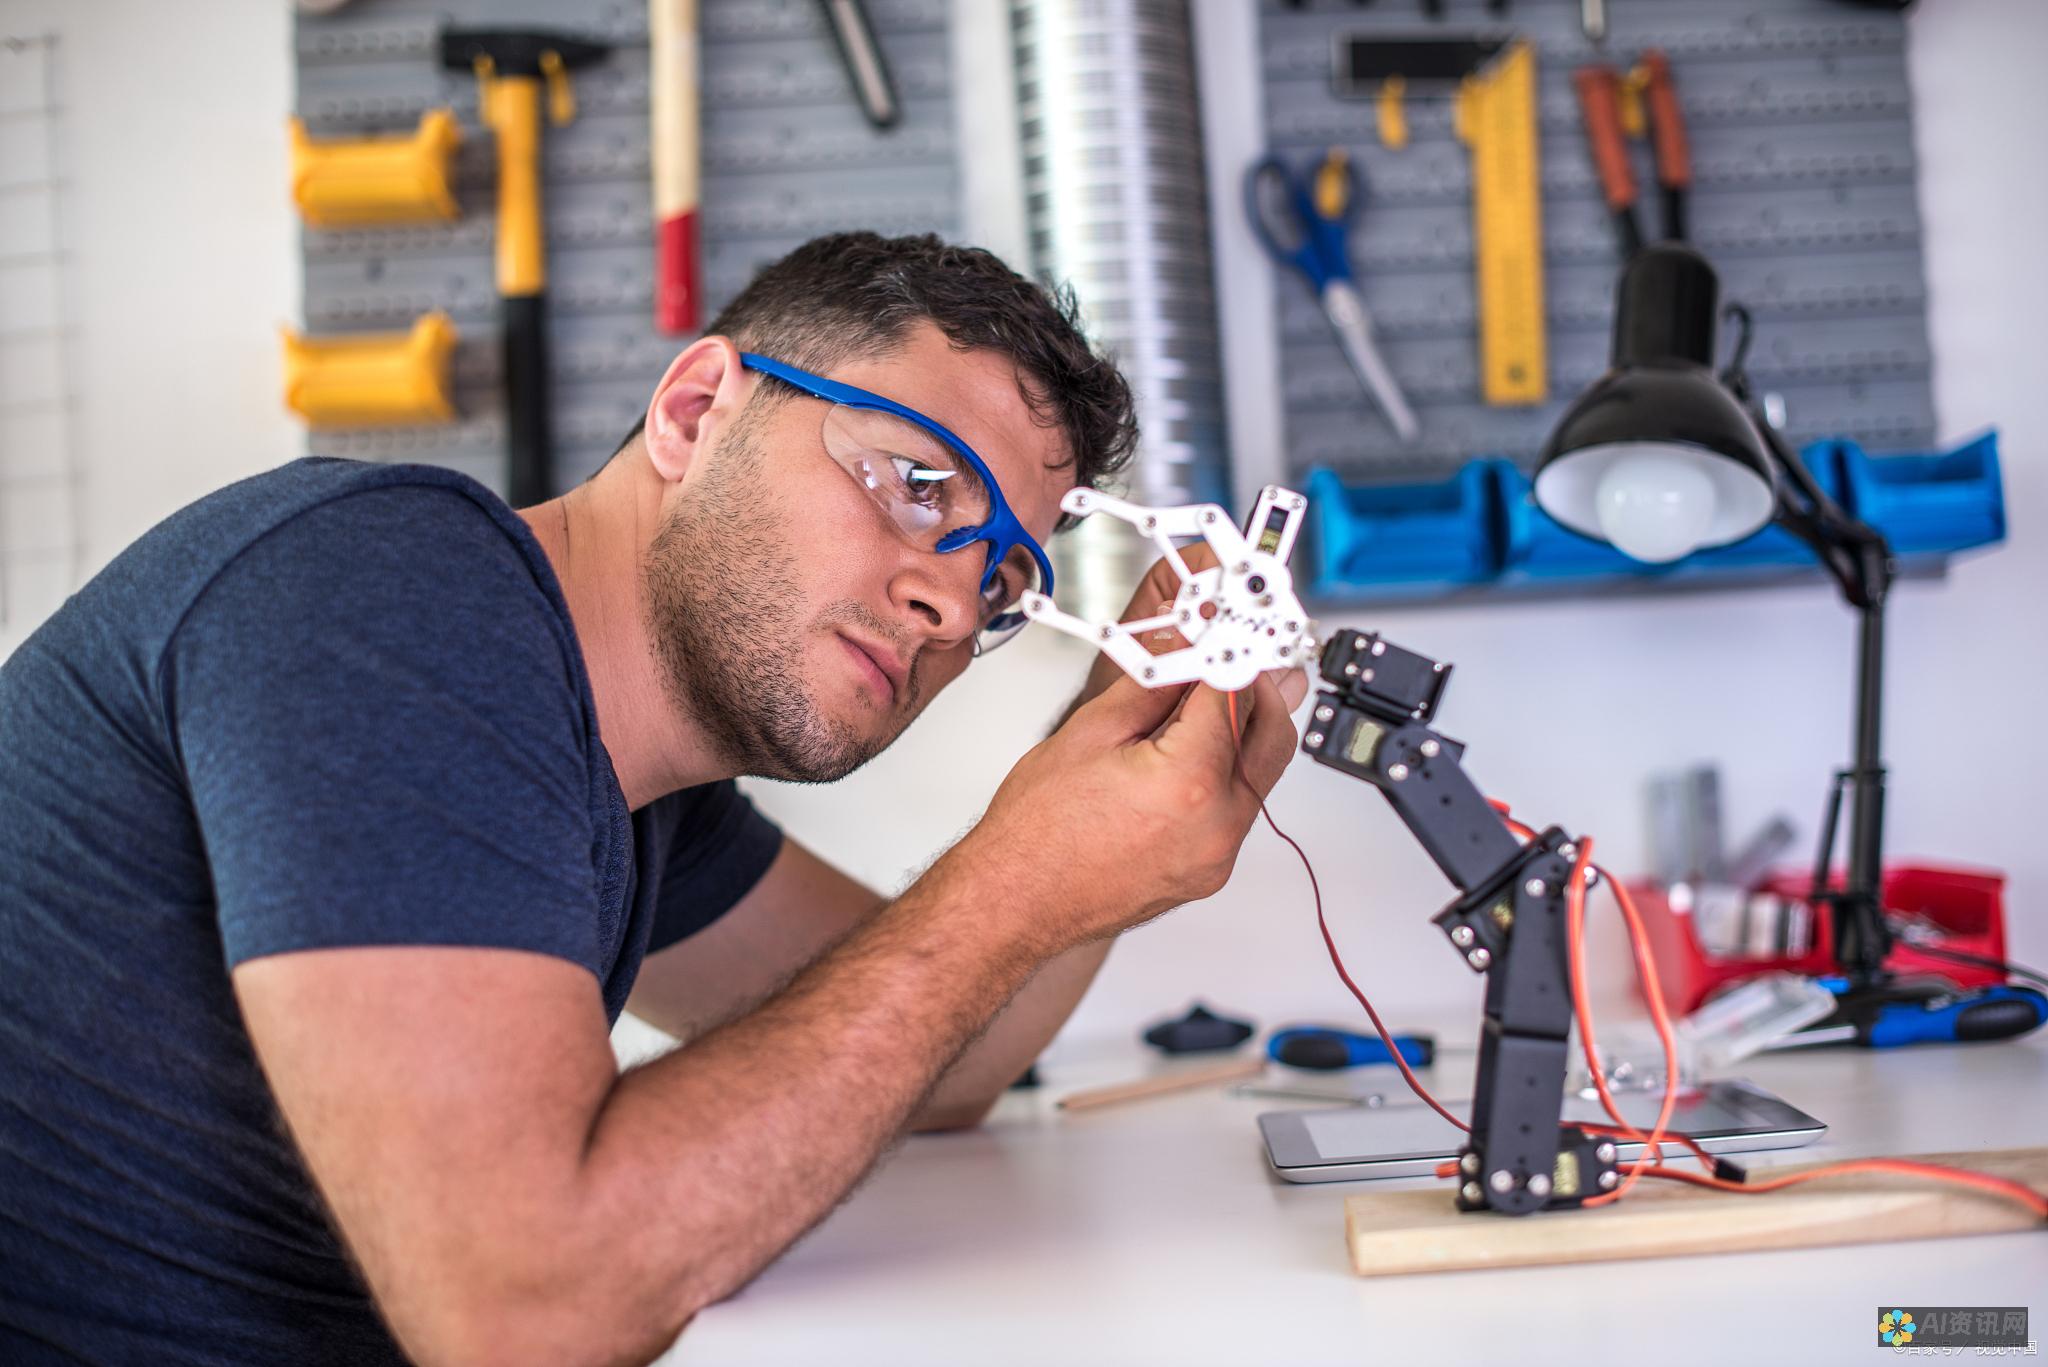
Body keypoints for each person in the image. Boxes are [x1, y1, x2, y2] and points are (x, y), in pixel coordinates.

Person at [0, 232, 1305, 1366]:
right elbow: (528, 1312)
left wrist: (1116, 735)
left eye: (1005, 578)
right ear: (694, 410)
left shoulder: (631, 794)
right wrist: (1017, 876)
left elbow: (956, 1057)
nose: (952, 604)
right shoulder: (386, 599)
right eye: (917, 484)